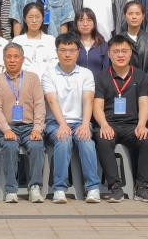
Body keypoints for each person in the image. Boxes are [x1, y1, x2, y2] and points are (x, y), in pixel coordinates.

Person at [92, 34, 148, 203]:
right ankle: (115, 187)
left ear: (130, 53)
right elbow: (97, 106)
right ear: (109, 54)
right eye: (116, 51)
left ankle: (142, 187)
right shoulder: (101, 77)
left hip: (132, 125)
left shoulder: (141, 76)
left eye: (124, 51)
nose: (120, 55)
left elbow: (144, 103)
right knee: (103, 139)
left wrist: (142, 125)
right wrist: (104, 125)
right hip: (109, 124)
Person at [42, 33, 101, 203]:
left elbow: (88, 100)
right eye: (63, 50)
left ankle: (93, 188)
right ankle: (59, 189)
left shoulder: (86, 73)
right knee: (64, 139)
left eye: (72, 50)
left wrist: (85, 124)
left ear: (78, 52)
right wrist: (62, 124)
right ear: (57, 52)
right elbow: (51, 101)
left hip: (80, 121)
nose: (67, 54)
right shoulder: (49, 74)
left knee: (86, 141)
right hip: (55, 122)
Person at [0, 43, 46, 203]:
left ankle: (34, 187)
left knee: (37, 146)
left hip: (29, 127)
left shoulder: (33, 78)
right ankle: (11, 189)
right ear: (3, 59)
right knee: (9, 146)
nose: (12, 60)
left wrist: (37, 129)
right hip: (7, 128)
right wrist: (6, 129)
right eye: (8, 57)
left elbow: (39, 105)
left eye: (16, 57)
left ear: (22, 59)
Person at [13, 3, 58, 77]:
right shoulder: (17, 41)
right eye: (30, 17)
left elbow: (55, 66)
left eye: (37, 17)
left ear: (43, 18)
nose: (34, 20)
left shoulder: (51, 41)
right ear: (24, 19)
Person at [119, 1, 148, 74]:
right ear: (125, 16)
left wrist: (143, 79)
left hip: (146, 80)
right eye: (130, 13)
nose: (134, 17)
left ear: (143, 17)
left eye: (137, 14)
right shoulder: (118, 40)